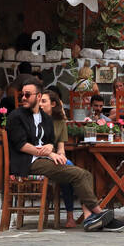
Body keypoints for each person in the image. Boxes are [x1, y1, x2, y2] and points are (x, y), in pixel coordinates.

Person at [5, 80, 121, 232]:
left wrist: (50, 147)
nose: (23, 98)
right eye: (22, 95)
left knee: (85, 174)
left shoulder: (46, 118)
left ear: (38, 96)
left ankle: (91, 219)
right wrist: (49, 152)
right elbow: (21, 145)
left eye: (27, 95)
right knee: (78, 174)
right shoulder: (16, 116)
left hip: (45, 159)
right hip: (28, 162)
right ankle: (99, 213)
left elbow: (51, 142)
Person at [39, 89, 78, 228]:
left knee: (68, 169)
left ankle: (71, 216)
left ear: (53, 104)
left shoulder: (60, 122)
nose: (40, 104)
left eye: (43, 101)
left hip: (56, 158)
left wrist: (61, 156)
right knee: (71, 171)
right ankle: (80, 213)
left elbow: (61, 147)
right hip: (41, 158)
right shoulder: (35, 119)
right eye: (39, 101)